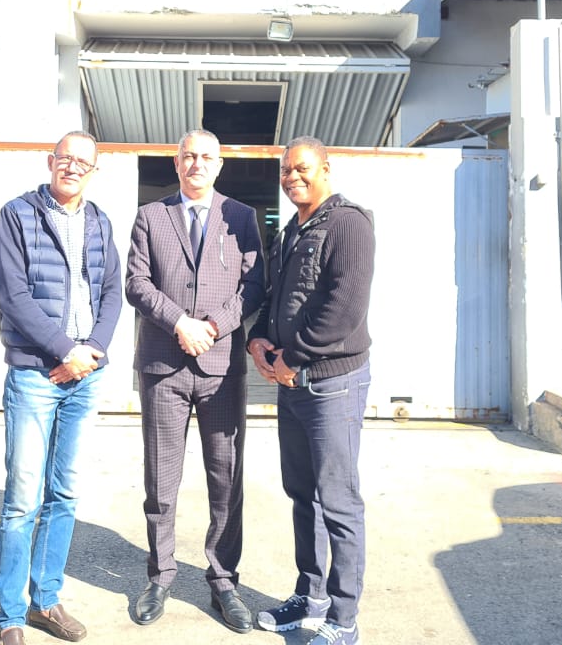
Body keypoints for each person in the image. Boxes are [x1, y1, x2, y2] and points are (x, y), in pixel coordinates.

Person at [125, 129, 266, 633]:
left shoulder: (241, 217)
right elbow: (136, 283)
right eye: (188, 156)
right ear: (177, 164)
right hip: (163, 367)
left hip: (220, 369)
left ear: (219, 165)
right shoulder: (151, 216)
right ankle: (160, 575)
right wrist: (179, 323)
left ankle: (224, 580)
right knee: (161, 480)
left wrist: (213, 326)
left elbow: (255, 285)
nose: (197, 164)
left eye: (206, 156)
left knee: (225, 479)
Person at [0, 130, 122, 645]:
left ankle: (46, 601)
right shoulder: (17, 215)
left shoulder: (100, 221)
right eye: (65, 158)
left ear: (93, 171)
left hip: (85, 375)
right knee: (22, 499)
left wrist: (92, 352)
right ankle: (10, 617)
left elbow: (112, 293)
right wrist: (66, 350)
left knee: (64, 492)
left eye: (82, 162)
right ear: (50, 162)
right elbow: (14, 296)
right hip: (35, 375)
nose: (72, 167)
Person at [247, 136, 375, 645]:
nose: (292, 177)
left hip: (332, 386)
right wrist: (259, 337)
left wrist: (292, 356)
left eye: (301, 168)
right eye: (286, 171)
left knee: (338, 502)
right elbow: (276, 297)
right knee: (304, 495)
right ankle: (311, 595)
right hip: (293, 385)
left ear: (325, 168)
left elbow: (345, 307)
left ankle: (343, 620)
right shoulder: (291, 231)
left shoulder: (349, 224)